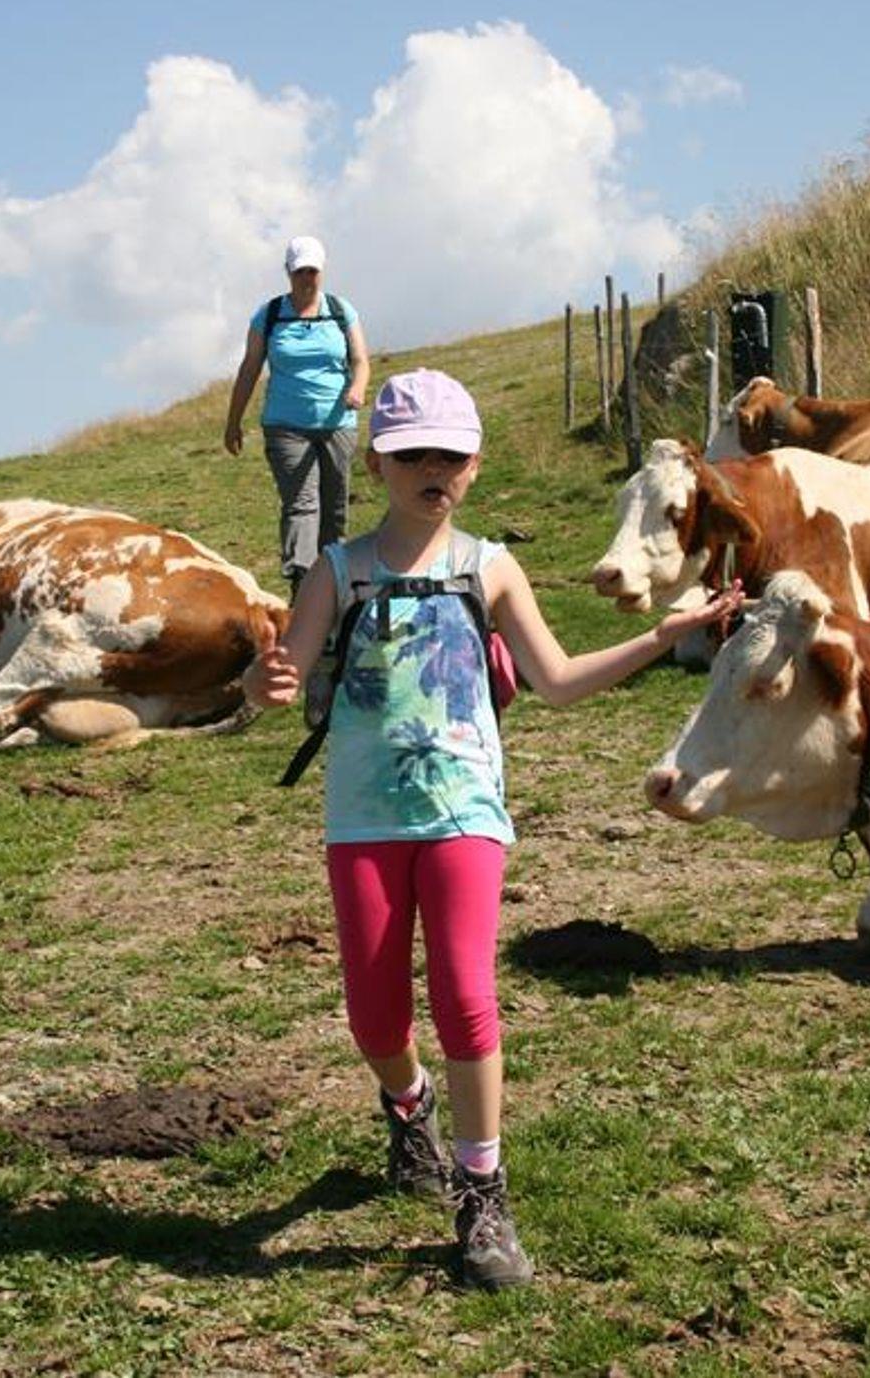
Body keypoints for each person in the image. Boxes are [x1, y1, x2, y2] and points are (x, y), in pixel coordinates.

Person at [242, 368, 742, 1292]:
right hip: (362, 818)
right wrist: (263, 682)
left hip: (466, 812)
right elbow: (283, 676)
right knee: (374, 1016)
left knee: (466, 996)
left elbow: (558, 680)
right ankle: (409, 1104)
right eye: (412, 456)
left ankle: (481, 1194)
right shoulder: (338, 571)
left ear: (474, 465)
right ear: (378, 464)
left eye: (451, 455)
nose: (433, 470)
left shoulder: (490, 567)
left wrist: (666, 635)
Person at [223, 236, 370, 596]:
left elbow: (360, 360)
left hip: (337, 424)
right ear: (288, 272)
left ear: (322, 271)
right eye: (300, 271)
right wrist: (233, 421)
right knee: (302, 505)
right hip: (286, 427)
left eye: (312, 271)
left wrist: (357, 388)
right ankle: (303, 584)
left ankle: (333, 582)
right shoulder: (270, 315)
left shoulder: (340, 311)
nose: (307, 278)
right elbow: (249, 369)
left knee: (334, 508)